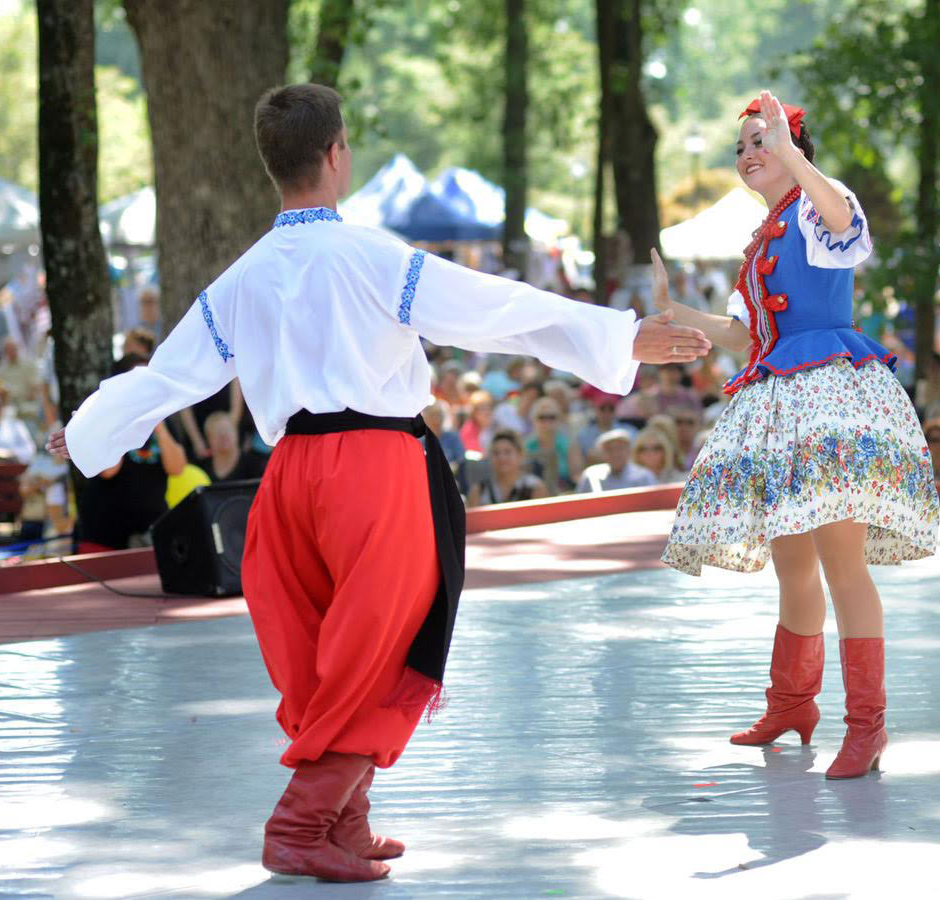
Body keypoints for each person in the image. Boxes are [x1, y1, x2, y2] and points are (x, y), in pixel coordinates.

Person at [46, 83, 708, 882]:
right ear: (336, 154)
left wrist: (87, 431)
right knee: (387, 646)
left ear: (274, 166)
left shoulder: (243, 278)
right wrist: (626, 337)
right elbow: (497, 310)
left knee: (329, 652)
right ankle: (300, 823)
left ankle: (345, 824)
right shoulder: (370, 257)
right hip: (375, 470)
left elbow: (168, 375)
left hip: (286, 477)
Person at [656, 92, 939, 780]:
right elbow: (751, 334)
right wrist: (673, 311)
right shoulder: (765, 237)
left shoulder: (819, 203)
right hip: (782, 407)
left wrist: (792, 154)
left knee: (843, 563)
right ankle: (792, 703)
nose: (751, 154)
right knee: (792, 565)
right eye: (744, 147)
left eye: (764, 142)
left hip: (830, 402)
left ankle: (867, 726)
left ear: (795, 149)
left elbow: (847, 223)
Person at [74, 354, 188, 551]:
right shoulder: (103, 416)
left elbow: (177, 468)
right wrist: (125, 418)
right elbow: (108, 471)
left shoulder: (164, 419)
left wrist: (158, 426)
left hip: (149, 534)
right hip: (104, 534)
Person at [466, 429, 547, 506]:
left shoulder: (535, 487)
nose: (501, 458)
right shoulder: (479, 490)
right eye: (496, 453)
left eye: (507, 452)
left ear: (520, 455)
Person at [525, 396, 583, 494]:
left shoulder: (569, 445)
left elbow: (577, 477)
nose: (547, 422)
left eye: (551, 417)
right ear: (533, 420)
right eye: (542, 417)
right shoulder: (526, 446)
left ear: (559, 419)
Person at [576, 429, 658, 493]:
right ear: (602, 453)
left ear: (629, 450)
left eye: (620, 448)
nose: (615, 453)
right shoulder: (591, 476)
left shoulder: (644, 477)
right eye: (609, 449)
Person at [203, 411, 266, 483]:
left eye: (227, 430)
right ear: (208, 438)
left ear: (236, 432)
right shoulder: (202, 469)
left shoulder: (256, 464)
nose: (223, 435)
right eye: (217, 432)